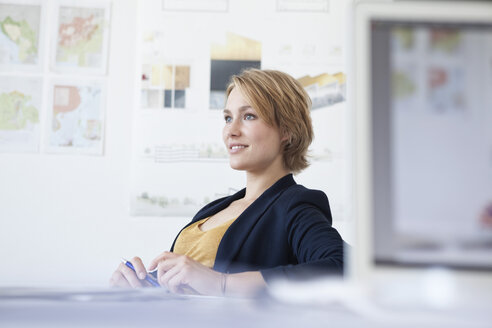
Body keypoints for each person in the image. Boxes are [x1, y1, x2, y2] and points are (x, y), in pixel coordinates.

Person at [109, 69, 345, 297]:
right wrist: (145, 288)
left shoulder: (295, 205)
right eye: (227, 118)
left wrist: (222, 283)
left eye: (249, 116)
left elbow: (342, 268)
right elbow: (188, 289)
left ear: (286, 130)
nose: (231, 131)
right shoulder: (215, 208)